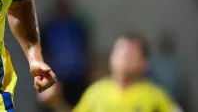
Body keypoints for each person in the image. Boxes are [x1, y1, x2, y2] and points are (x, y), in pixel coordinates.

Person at [38, 33, 181, 112]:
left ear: (144, 63)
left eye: (130, 53)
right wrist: (55, 102)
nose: (123, 57)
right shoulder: (96, 93)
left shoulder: (156, 96)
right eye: (119, 51)